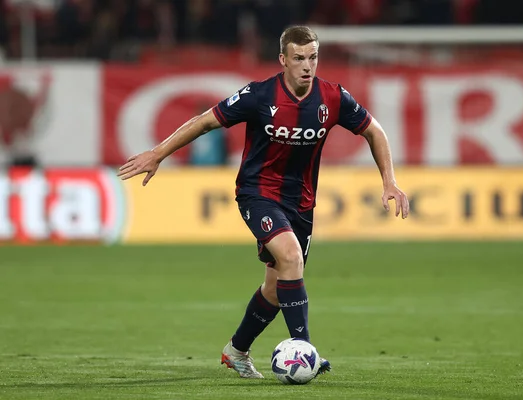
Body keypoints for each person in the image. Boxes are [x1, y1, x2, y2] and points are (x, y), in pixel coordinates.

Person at [117, 25, 410, 379]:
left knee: (277, 285)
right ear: (283, 59)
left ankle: (236, 350)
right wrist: (158, 153)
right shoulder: (258, 96)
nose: (307, 65)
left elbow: (374, 131)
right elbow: (204, 122)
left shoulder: (332, 98)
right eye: (299, 58)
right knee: (290, 256)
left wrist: (389, 181)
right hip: (258, 193)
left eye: (313, 57)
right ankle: (305, 352)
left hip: (300, 202)